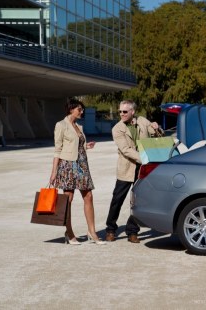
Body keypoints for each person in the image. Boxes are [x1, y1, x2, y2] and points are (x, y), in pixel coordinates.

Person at [105, 100, 162, 243]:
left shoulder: (142, 121)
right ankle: (111, 229)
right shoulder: (117, 129)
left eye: (125, 111)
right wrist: (145, 158)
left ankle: (132, 231)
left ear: (132, 112)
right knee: (117, 199)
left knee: (138, 200)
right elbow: (125, 150)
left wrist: (156, 127)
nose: (121, 114)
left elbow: (157, 136)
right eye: (120, 111)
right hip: (127, 167)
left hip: (143, 168)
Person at [50, 98, 105, 245]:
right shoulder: (61, 125)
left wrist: (87, 146)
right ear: (71, 109)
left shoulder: (79, 127)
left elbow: (77, 145)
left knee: (89, 196)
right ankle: (69, 232)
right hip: (68, 166)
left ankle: (92, 232)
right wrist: (54, 172)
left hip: (82, 165)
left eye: (82, 109)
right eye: (79, 109)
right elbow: (58, 149)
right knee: (68, 200)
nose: (82, 111)